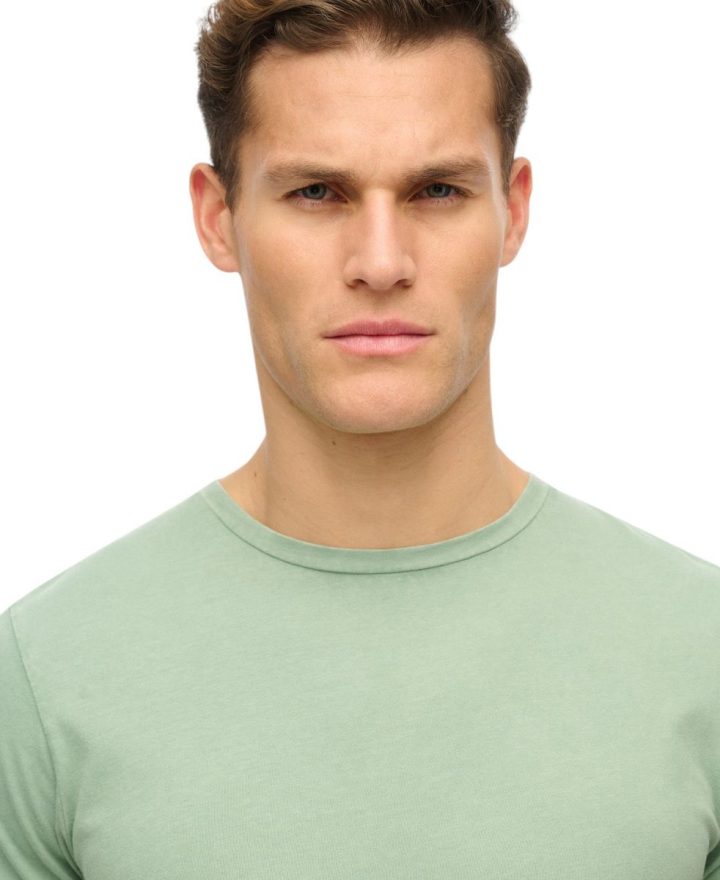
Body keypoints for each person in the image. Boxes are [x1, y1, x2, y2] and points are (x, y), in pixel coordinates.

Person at [1, 0, 719, 877]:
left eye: (438, 191)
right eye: (316, 192)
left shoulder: (703, 652)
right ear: (218, 218)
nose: (381, 263)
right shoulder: (47, 674)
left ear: (514, 210)